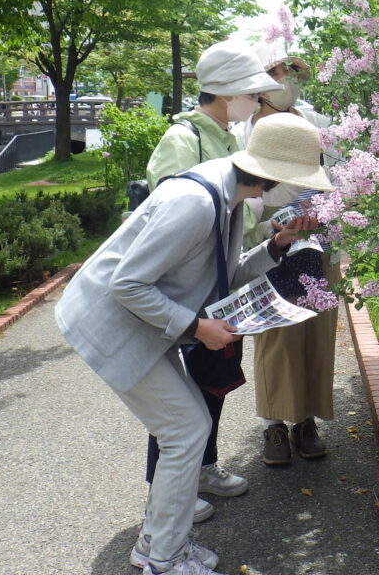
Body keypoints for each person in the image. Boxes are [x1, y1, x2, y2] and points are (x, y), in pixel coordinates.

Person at [55, 113, 333, 575]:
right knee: (186, 430)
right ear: (276, 175)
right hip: (112, 325)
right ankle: (164, 560)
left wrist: (278, 245)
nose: (298, 191)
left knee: (186, 429)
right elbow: (127, 285)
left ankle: (156, 546)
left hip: (140, 325)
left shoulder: (229, 195)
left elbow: (225, 276)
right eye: (297, 180)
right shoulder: (196, 202)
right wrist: (197, 327)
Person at [142, 39, 282, 523]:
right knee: (174, 401)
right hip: (178, 291)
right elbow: (168, 213)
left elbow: (240, 211)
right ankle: (162, 495)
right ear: (227, 93)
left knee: (211, 383)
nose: (255, 102)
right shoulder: (184, 138)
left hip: (219, 281)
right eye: (250, 93)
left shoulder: (230, 136)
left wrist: (269, 232)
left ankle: (202, 468)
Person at [234, 40, 344, 466]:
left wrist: (325, 217)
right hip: (270, 240)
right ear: (261, 83)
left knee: (316, 330)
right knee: (276, 333)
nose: (289, 80)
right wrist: (270, 230)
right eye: (280, 72)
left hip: (319, 233)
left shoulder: (315, 120)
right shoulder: (243, 131)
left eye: (295, 72)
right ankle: (275, 425)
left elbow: (339, 176)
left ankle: (307, 420)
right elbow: (242, 197)